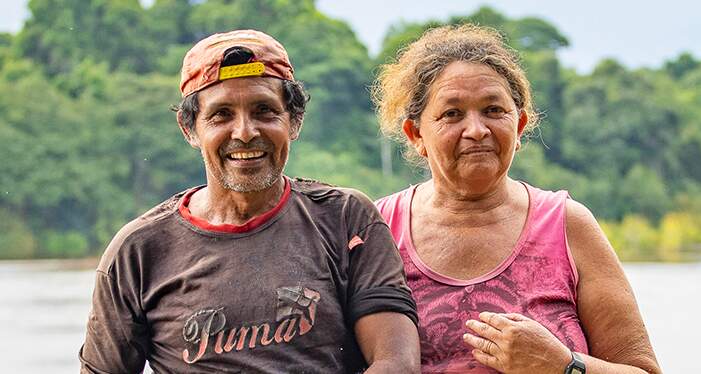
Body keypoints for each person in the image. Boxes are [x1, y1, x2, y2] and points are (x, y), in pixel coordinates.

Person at [79, 29, 420, 374]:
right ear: (190, 129)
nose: (244, 132)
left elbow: (396, 363)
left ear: (294, 121)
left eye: (264, 111)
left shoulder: (346, 220)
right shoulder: (138, 251)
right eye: (221, 115)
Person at [372, 24, 661, 374]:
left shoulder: (567, 226)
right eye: (452, 114)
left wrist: (562, 365)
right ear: (416, 133)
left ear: (520, 125)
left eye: (494, 110)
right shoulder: (378, 228)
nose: (477, 130)